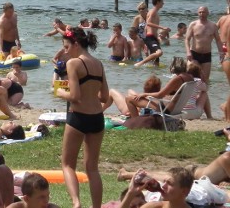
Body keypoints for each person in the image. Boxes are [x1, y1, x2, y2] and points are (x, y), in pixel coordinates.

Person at [55, 27, 109, 208]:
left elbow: (75, 96)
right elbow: (104, 97)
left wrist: (61, 92)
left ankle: (76, 203)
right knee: (92, 168)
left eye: (67, 47)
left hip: (78, 117)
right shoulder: (99, 64)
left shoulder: (74, 63)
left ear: (76, 44)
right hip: (97, 118)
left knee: (68, 164)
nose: (65, 51)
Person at [125, 57, 198, 117]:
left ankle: (135, 122)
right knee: (134, 95)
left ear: (173, 67)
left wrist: (145, 94)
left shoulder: (178, 79)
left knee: (129, 99)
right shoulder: (189, 77)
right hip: (175, 108)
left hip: (164, 109)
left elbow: (160, 95)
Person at [185, 6, 224, 84]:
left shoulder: (213, 26)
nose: (201, 14)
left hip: (206, 55)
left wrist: (221, 53)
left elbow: (218, 40)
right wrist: (188, 52)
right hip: (194, 54)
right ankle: (190, 95)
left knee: (205, 81)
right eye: (200, 12)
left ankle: (202, 96)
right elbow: (187, 39)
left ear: (208, 13)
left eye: (203, 12)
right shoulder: (193, 24)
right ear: (197, 13)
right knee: (191, 78)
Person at [119, 167, 193, 208]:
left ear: (184, 191)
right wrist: (131, 193)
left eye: (169, 183)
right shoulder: (154, 206)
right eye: (164, 182)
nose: (163, 186)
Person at [135, 0, 170, 67]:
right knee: (159, 53)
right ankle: (140, 63)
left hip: (153, 38)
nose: (163, 3)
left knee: (156, 64)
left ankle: (153, 75)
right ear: (158, 2)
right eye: (162, 2)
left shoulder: (155, 12)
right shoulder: (153, 11)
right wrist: (163, 27)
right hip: (150, 37)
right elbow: (148, 23)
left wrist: (154, 39)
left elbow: (146, 28)